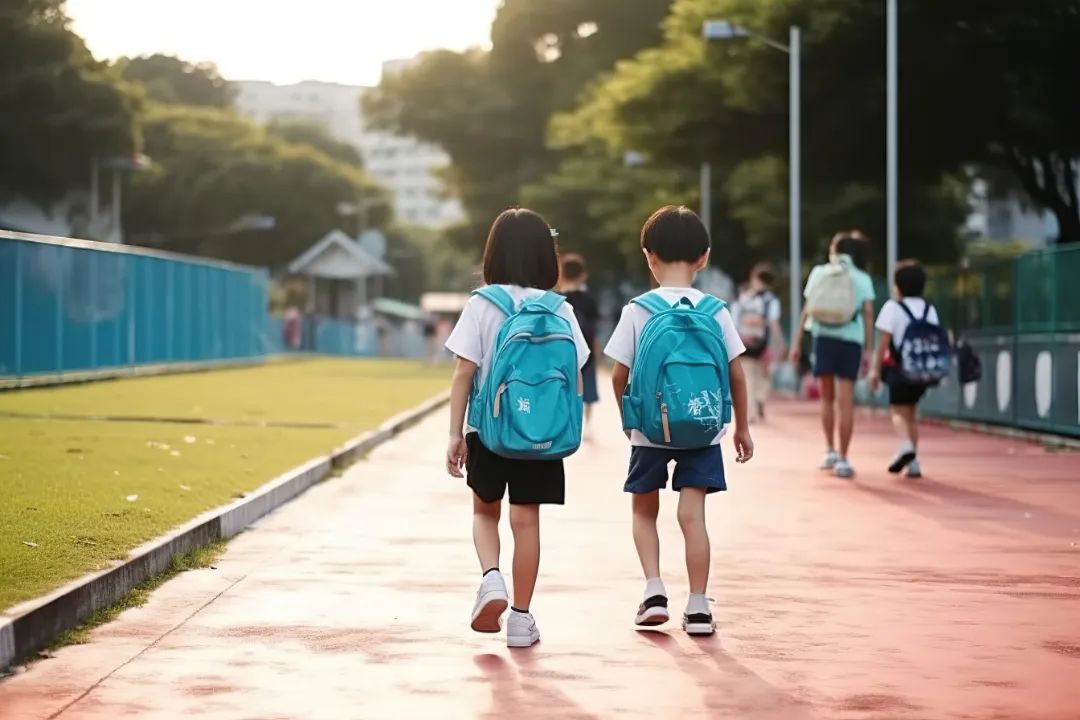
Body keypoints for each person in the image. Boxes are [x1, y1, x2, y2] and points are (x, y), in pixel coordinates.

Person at [444, 208, 590, 648]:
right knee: (527, 523)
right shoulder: (560, 308)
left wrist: (455, 433)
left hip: (488, 429)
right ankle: (522, 621)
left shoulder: (482, 303)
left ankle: (491, 578)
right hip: (542, 433)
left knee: (484, 510)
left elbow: (463, 372)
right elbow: (577, 371)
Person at [605, 206, 753, 637]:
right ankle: (699, 603)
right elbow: (736, 373)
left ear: (648, 257)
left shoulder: (638, 309)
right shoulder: (716, 310)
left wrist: (631, 418)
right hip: (703, 427)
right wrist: (741, 426)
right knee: (693, 515)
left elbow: (619, 375)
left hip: (650, 429)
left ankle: (653, 590)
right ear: (703, 258)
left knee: (644, 509)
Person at [790, 231, 875, 479]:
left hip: (823, 338)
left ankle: (829, 450)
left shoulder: (819, 272)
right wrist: (868, 348)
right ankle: (845, 458)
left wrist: (797, 343)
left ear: (834, 251)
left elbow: (808, 309)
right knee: (845, 400)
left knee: (826, 398)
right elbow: (868, 312)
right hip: (850, 341)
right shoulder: (861, 277)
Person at [868, 260, 941, 479]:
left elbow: (883, 344)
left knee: (898, 411)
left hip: (899, 370)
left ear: (897, 286)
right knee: (911, 413)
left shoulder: (893, 308)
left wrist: (874, 370)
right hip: (922, 371)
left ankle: (906, 445)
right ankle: (914, 462)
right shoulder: (929, 308)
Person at [733, 263, 785, 422]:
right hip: (762, 345)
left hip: (744, 342)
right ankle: (759, 399)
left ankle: (751, 412)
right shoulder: (771, 300)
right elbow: (773, 324)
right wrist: (780, 343)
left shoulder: (743, 298)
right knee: (764, 376)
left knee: (748, 377)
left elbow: (735, 321)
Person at [558, 253, 601, 434]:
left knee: (564, 385)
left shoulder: (558, 299)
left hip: (563, 350)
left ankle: (564, 421)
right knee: (588, 389)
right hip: (587, 348)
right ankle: (586, 425)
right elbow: (593, 326)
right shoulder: (588, 298)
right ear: (582, 274)